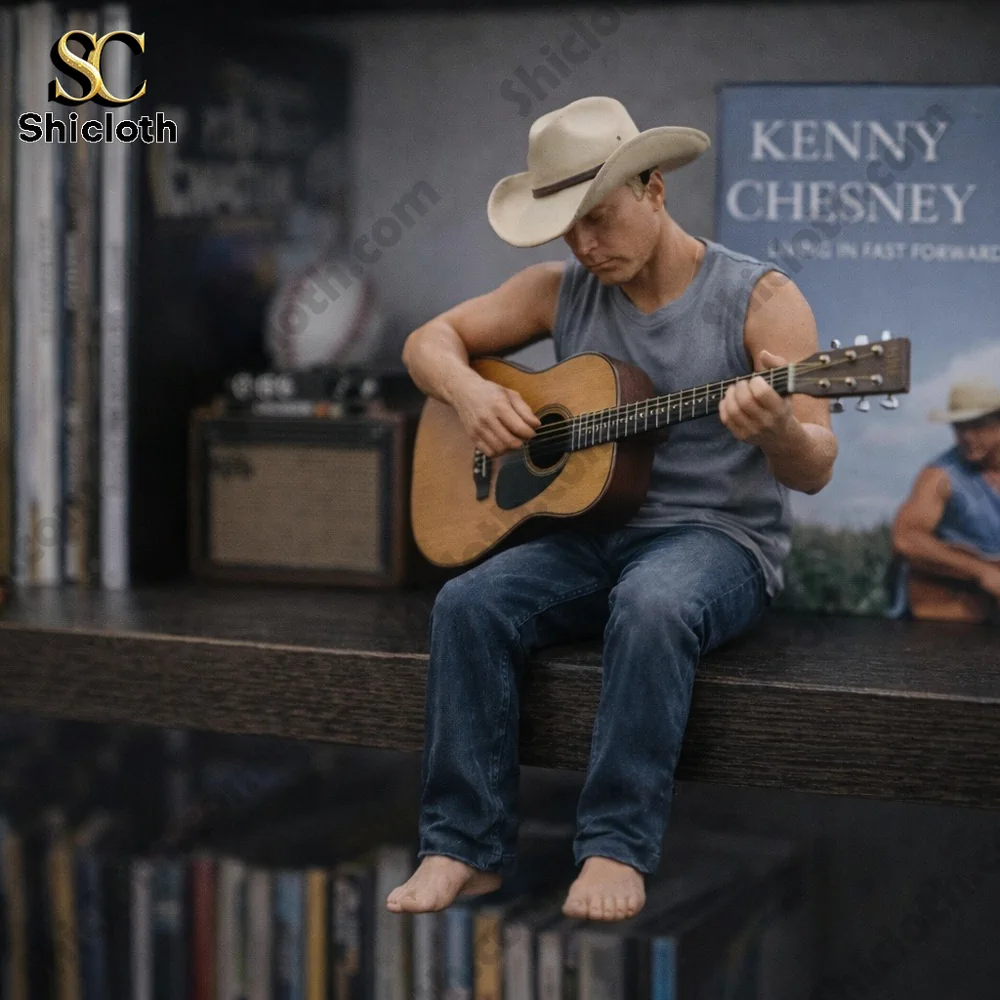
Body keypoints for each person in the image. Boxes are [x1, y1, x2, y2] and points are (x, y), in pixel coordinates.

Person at [389, 96, 838, 922]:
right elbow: (429, 343)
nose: (585, 245)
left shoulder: (760, 299)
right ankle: (461, 845)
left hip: (718, 543)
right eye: (566, 229)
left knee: (654, 602)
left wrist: (777, 432)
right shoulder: (556, 290)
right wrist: (470, 394)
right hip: (593, 536)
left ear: (655, 189)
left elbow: (814, 468)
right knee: (468, 603)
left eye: (598, 218)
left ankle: (614, 846)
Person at [888, 380, 1000, 621]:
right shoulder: (940, 475)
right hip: (949, 617)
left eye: (977, 425)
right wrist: (982, 572)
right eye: (959, 427)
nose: (967, 436)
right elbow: (905, 539)